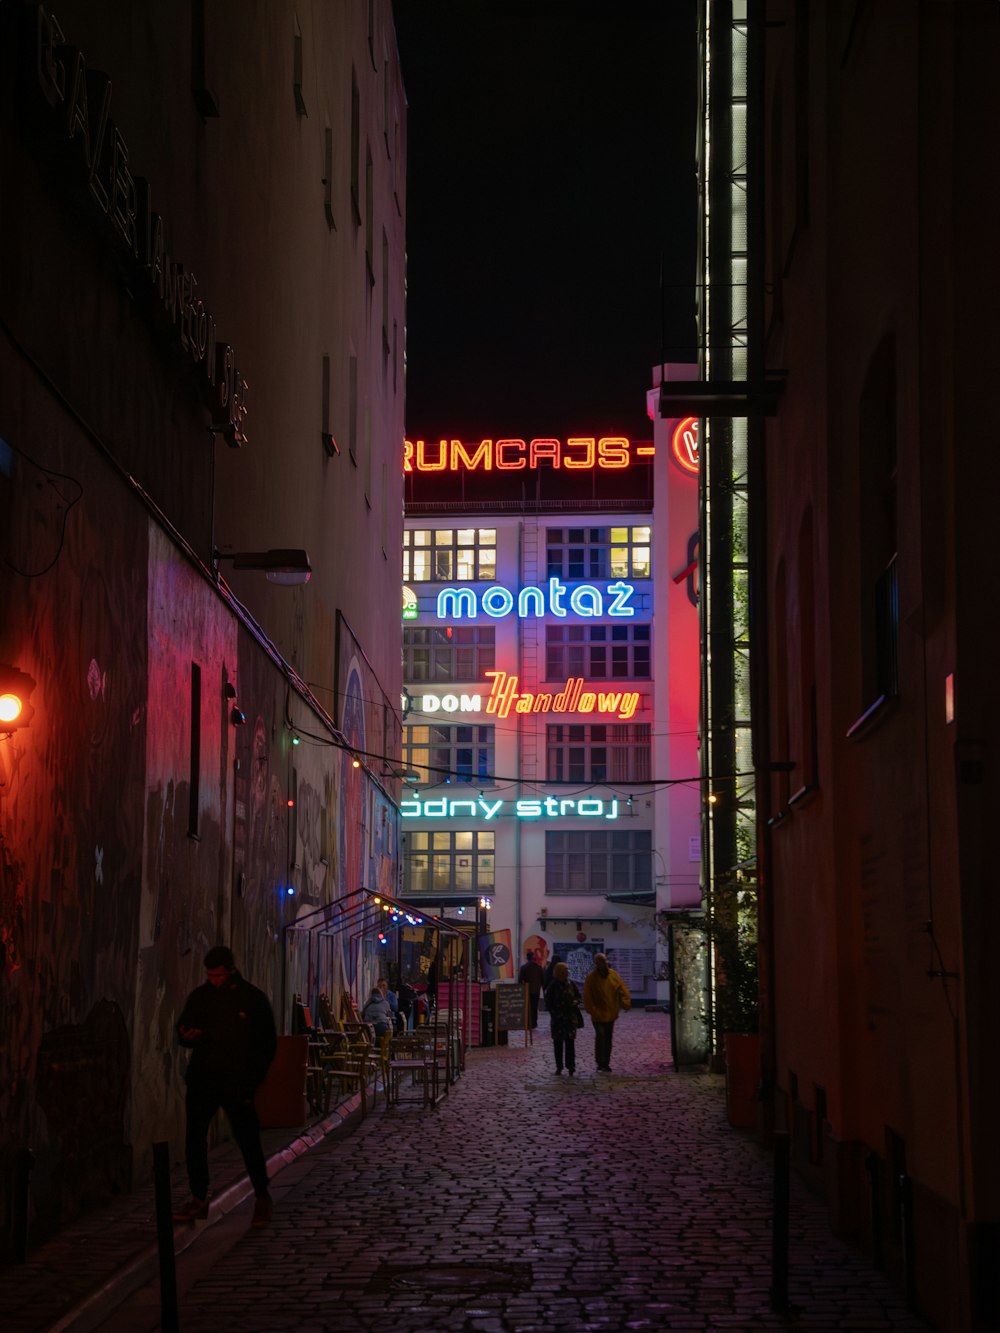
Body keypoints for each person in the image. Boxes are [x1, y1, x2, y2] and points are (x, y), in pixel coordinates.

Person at [174, 945, 277, 1230]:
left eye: (219, 975)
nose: (215, 980)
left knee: (247, 1139)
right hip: (204, 1079)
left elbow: (266, 1043)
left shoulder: (251, 999)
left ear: (231, 971)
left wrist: (251, 1079)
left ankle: (261, 1195)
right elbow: (183, 1028)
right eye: (211, 975)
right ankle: (198, 1196)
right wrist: (188, 1035)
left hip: (237, 1082)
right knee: (195, 1138)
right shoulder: (201, 997)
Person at [582, 952, 631, 1073]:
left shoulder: (613, 975)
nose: (604, 963)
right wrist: (592, 1010)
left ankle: (606, 1063)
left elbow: (621, 989)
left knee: (608, 1038)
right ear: (597, 963)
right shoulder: (591, 978)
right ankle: (600, 1062)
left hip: (611, 1014)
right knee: (601, 1036)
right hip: (598, 1015)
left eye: (605, 960)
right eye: (601, 961)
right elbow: (587, 996)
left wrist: (625, 1003)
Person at [544, 961, 582, 1076]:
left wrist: (575, 1002)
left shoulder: (571, 984)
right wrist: (555, 1012)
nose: (567, 972)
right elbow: (548, 1003)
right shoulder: (552, 985)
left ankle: (571, 1066)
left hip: (570, 1018)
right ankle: (559, 1066)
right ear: (559, 972)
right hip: (558, 1019)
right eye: (565, 970)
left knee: (570, 1043)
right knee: (558, 1043)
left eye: (567, 970)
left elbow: (578, 996)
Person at [518, 946, 545, 1028]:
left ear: (527, 958)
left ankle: (527, 1022)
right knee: (534, 1007)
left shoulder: (523, 968)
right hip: (536, 990)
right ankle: (534, 1023)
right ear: (533, 958)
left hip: (527, 990)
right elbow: (542, 980)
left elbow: (520, 980)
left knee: (527, 1007)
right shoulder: (539, 967)